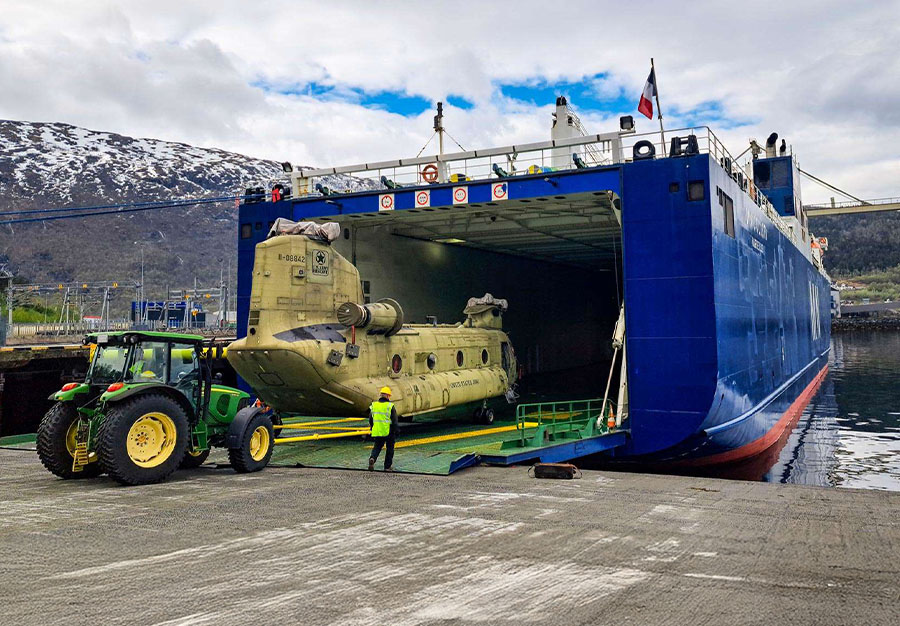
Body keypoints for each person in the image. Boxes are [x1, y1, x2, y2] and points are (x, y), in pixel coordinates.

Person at [368, 386, 398, 471]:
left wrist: (372, 427)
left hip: (378, 430)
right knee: (390, 449)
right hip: (389, 431)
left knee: (377, 447)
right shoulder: (390, 406)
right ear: (388, 396)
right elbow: (394, 420)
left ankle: (372, 458)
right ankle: (387, 467)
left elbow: (371, 418)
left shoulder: (374, 405)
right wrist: (397, 430)